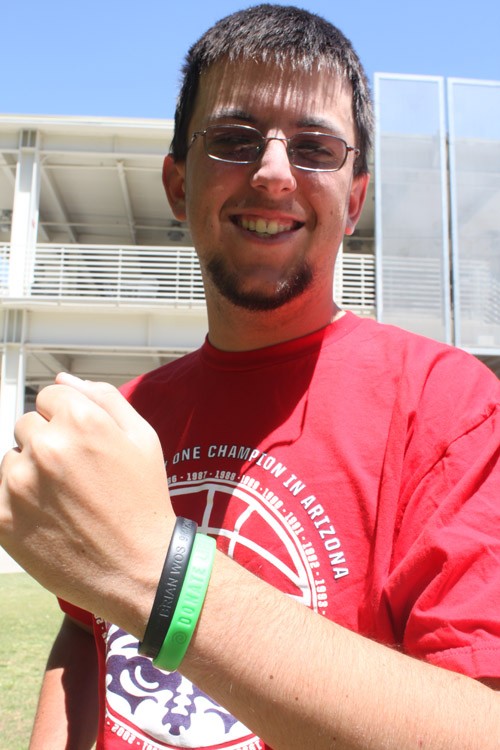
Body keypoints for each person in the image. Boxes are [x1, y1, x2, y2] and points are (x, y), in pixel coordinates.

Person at [0, 5, 499, 749]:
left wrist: (157, 574)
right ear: (177, 184)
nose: (272, 172)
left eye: (315, 146)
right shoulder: (129, 418)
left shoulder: (450, 408)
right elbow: (85, 640)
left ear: (354, 199)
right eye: (234, 140)